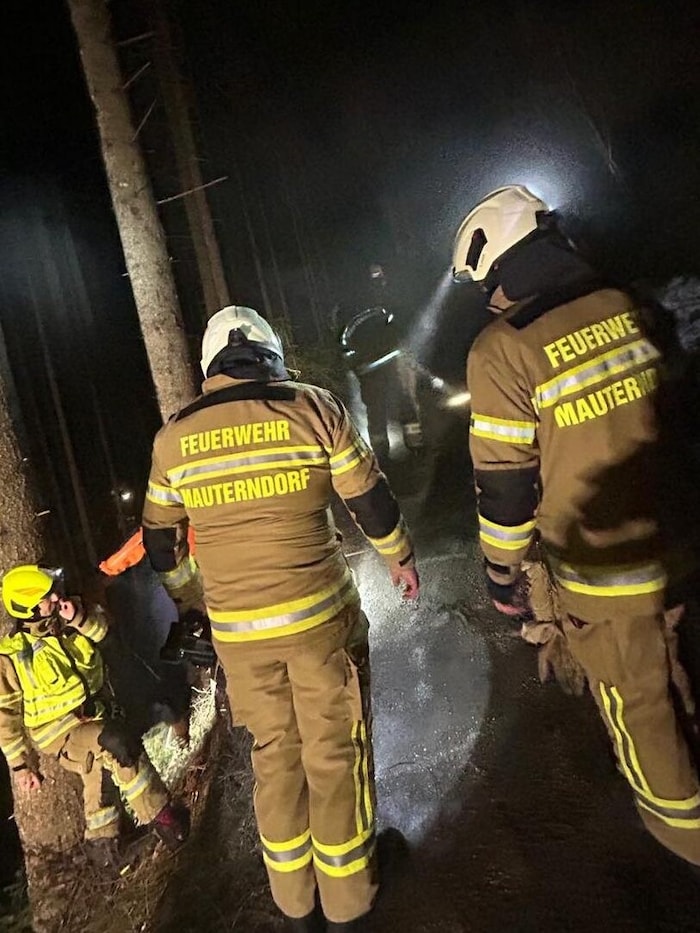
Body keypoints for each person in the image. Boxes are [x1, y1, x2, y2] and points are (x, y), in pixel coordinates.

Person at [141, 306, 419, 932]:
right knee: (333, 752)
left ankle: (296, 908)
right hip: (320, 624)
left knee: (274, 757)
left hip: (241, 638)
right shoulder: (312, 407)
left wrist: (193, 602)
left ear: (211, 366)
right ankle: (350, 901)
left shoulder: (174, 438)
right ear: (269, 353)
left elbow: (161, 541)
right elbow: (367, 498)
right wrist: (399, 557)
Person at [453, 184, 700, 866]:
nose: (491, 300)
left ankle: (683, 837)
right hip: (677, 539)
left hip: (604, 571)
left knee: (638, 702)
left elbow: (506, 493)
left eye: (486, 286)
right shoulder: (627, 302)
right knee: (673, 659)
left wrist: (502, 575)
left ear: (498, 267)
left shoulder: (502, 350)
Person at [0, 564, 189, 869]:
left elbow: (106, 634)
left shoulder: (73, 615)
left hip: (94, 716)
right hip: (58, 733)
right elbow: (5, 716)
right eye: (48, 596)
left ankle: (104, 850)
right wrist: (21, 766)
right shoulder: (11, 655)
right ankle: (166, 819)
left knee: (98, 772)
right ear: (28, 607)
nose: (57, 597)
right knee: (116, 743)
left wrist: (78, 619)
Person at [334, 263, 423, 462]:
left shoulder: (350, 307)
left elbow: (343, 341)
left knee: (380, 410)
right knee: (399, 404)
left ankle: (385, 455)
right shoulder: (381, 302)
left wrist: (354, 363)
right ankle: (410, 449)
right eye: (377, 277)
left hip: (372, 367)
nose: (381, 281)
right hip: (382, 364)